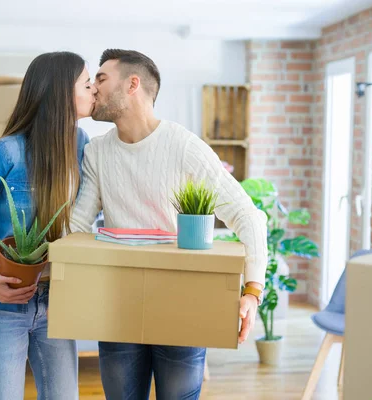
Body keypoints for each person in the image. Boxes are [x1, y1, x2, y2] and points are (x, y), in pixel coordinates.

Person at [70, 49, 268, 399]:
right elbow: (78, 225)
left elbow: (247, 215)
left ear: (132, 84)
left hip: (182, 304)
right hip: (119, 307)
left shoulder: (184, 147)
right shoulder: (98, 152)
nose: (93, 89)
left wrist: (252, 291)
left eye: (101, 79)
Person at [0, 51, 95, 400]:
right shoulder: (5, 152)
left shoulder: (80, 143)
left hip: (56, 302)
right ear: (61, 93)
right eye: (87, 85)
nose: (94, 92)